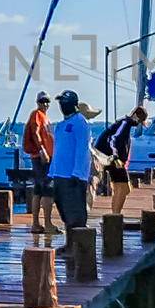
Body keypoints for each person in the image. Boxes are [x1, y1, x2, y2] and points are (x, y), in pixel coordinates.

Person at [49, 89, 91, 239]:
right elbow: (58, 150)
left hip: (73, 176)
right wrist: (51, 172)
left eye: (65, 102)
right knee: (64, 211)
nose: (62, 105)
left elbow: (82, 149)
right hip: (59, 174)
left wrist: (78, 173)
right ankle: (69, 243)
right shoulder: (60, 125)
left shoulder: (80, 122)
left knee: (76, 212)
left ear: (74, 104)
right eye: (61, 103)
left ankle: (77, 244)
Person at [96, 104, 148, 215]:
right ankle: (115, 215)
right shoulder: (124, 123)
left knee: (122, 187)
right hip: (112, 159)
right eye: (139, 121)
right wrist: (115, 157)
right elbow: (113, 139)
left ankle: (115, 213)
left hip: (114, 159)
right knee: (124, 188)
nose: (138, 124)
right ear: (136, 116)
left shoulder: (125, 124)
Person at [23, 90, 59, 235]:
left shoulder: (44, 116)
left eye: (47, 101)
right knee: (48, 189)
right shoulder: (37, 115)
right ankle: (48, 223)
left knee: (38, 189)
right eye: (42, 101)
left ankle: (36, 224)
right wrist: (42, 149)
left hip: (42, 157)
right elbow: (35, 132)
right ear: (37, 102)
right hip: (41, 157)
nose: (45, 104)